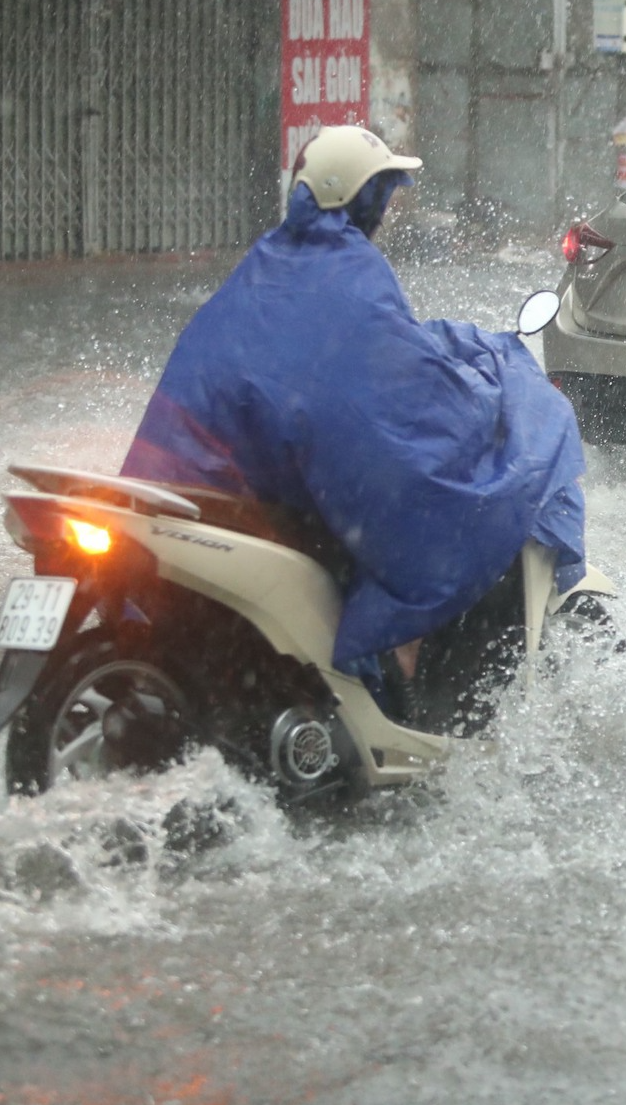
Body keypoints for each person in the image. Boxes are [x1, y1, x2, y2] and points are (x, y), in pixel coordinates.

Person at [121, 125, 587, 715]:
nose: (388, 212)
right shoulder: (352, 273)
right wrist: (482, 401)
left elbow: (339, 368)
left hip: (201, 489)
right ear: (362, 201)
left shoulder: (268, 263)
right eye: (385, 196)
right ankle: (407, 681)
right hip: (259, 502)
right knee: (451, 521)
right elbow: (398, 396)